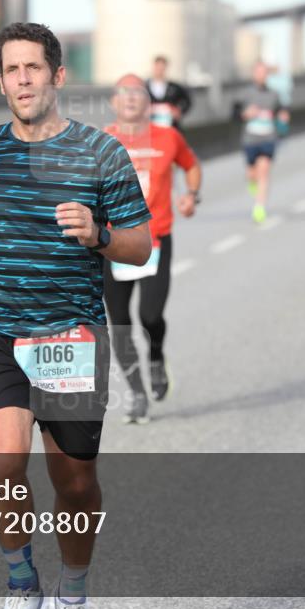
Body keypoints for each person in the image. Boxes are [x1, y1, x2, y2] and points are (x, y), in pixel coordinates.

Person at [0, 22, 152, 609]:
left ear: (57, 75)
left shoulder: (101, 151)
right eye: (12, 70)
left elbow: (141, 245)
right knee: (3, 463)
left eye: (33, 67)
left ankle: (75, 590)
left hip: (71, 337)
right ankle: (21, 585)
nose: (23, 79)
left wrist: (98, 233)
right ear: (2, 81)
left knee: (75, 483)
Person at [103, 73, 202, 423]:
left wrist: (191, 195)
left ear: (149, 103)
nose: (130, 98)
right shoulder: (100, 141)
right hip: (112, 244)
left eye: (137, 93)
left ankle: (157, 356)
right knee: (119, 324)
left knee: (150, 316)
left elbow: (191, 167)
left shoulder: (168, 136)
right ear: (114, 102)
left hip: (155, 238)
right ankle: (136, 393)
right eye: (123, 93)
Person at [240, 60, 290, 224]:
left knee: (264, 172)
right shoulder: (246, 94)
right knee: (252, 174)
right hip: (250, 138)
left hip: (268, 137)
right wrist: (246, 114)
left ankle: (259, 207)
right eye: (259, 72)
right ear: (254, 74)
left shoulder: (274, 94)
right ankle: (254, 187)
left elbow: (280, 112)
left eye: (264, 73)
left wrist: (282, 117)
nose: (262, 76)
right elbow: (234, 114)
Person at [146, 55, 192, 130]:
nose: (160, 71)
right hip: (151, 128)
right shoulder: (144, 87)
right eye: (158, 68)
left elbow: (187, 101)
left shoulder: (175, 87)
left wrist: (179, 111)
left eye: (162, 68)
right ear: (154, 67)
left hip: (170, 127)